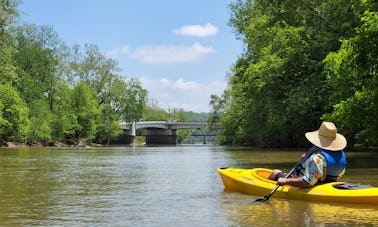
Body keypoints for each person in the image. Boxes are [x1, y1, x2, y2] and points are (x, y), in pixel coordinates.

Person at [267, 121, 347, 188]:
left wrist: (285, 181)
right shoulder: (340, 154)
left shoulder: (316, 158)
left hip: (311, 183)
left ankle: (265, 186)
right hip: (328, 183)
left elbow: (307, 182)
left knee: (275, 172)